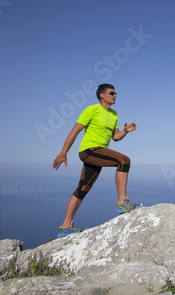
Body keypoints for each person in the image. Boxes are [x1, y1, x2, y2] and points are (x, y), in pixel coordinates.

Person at [53, 84, 140, 237]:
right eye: (111, 93)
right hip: (89, 151)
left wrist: (125, 131)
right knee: (124, 161)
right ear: (101, 95)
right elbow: (74, 131)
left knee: (82, 189)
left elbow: (115, 137)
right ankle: (122, 202)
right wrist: (63, 153)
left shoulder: (114, 114)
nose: (115, 95)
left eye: (115, 93)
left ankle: (65, 227)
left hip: (99, 154)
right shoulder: (91, 110)